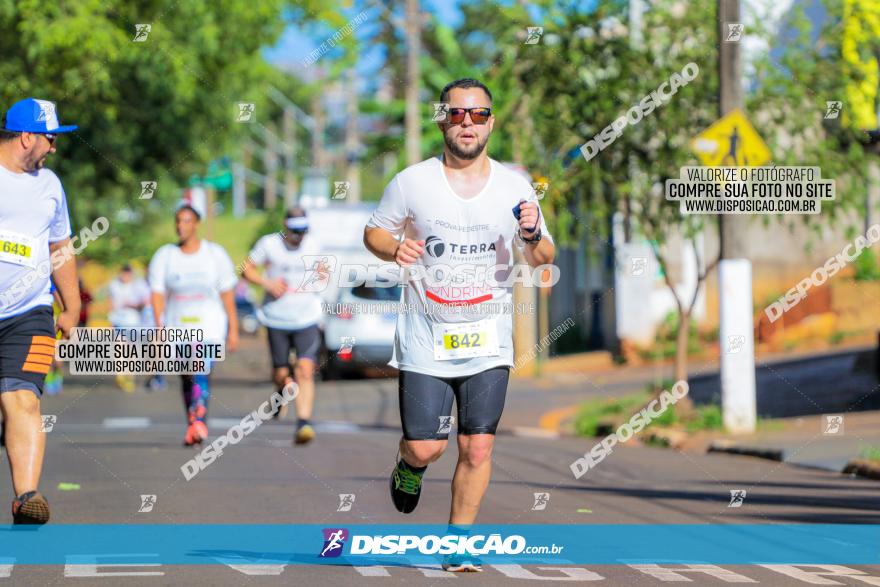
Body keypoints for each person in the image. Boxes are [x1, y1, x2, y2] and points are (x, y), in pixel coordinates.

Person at [363, 78, 555, 571]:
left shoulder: (515, 187)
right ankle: (409, 465)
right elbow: (373, 232)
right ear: (441, 119)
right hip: (426, 335)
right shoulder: (411, 182)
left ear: (492, 121)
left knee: (478, 444)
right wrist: (393, 246)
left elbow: (542, 259)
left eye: (478, 115)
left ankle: (458, 542)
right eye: (457, 114)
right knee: (428, 445)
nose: (467, 123)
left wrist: (532, 234)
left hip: (488, 337)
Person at [0, 98, 81, 524]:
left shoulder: (50, 185)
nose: (53, 146)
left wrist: (72, 304)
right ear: (26, 137)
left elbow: (59, 247)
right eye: (50, 137)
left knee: (22, 398)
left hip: (29, 312)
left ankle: (26, 496)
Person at [148, 201, 238, 446]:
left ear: (196, 224)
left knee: (200, 368)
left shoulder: (214, 254)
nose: (181, 226)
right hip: (178, 327)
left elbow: (227, 294)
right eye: (178, 220)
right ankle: (194, 420)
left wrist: (233, 329)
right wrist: (160, 329)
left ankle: (199, 419)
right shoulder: (165, 256)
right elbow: (157, 295)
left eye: (186, 221)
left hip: (209, 327)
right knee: (186, 375)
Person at [242, 207, 324, 445]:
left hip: (306, 317)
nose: (299, 237)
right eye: (295, 231)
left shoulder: (314, 245)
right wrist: (266, 283)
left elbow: (323, 271)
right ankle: (281, 392)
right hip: (276, 317)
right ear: (285, 226)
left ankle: (304, 423)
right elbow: (246, 268)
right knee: (280, 374)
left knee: (304, 370)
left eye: (303, 231)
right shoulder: (269, 244)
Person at [108, 264, 150, 393]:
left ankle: (129, 375)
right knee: (120, 348)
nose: (125, 276)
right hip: (118, 321)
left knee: (131, 351)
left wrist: (135, 304)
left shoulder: (139, 285)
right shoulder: (114, 285)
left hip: (133, 322)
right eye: (124, 273)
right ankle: (121, 375)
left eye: (128, 274)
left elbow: (146, 301)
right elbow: (109, 302)